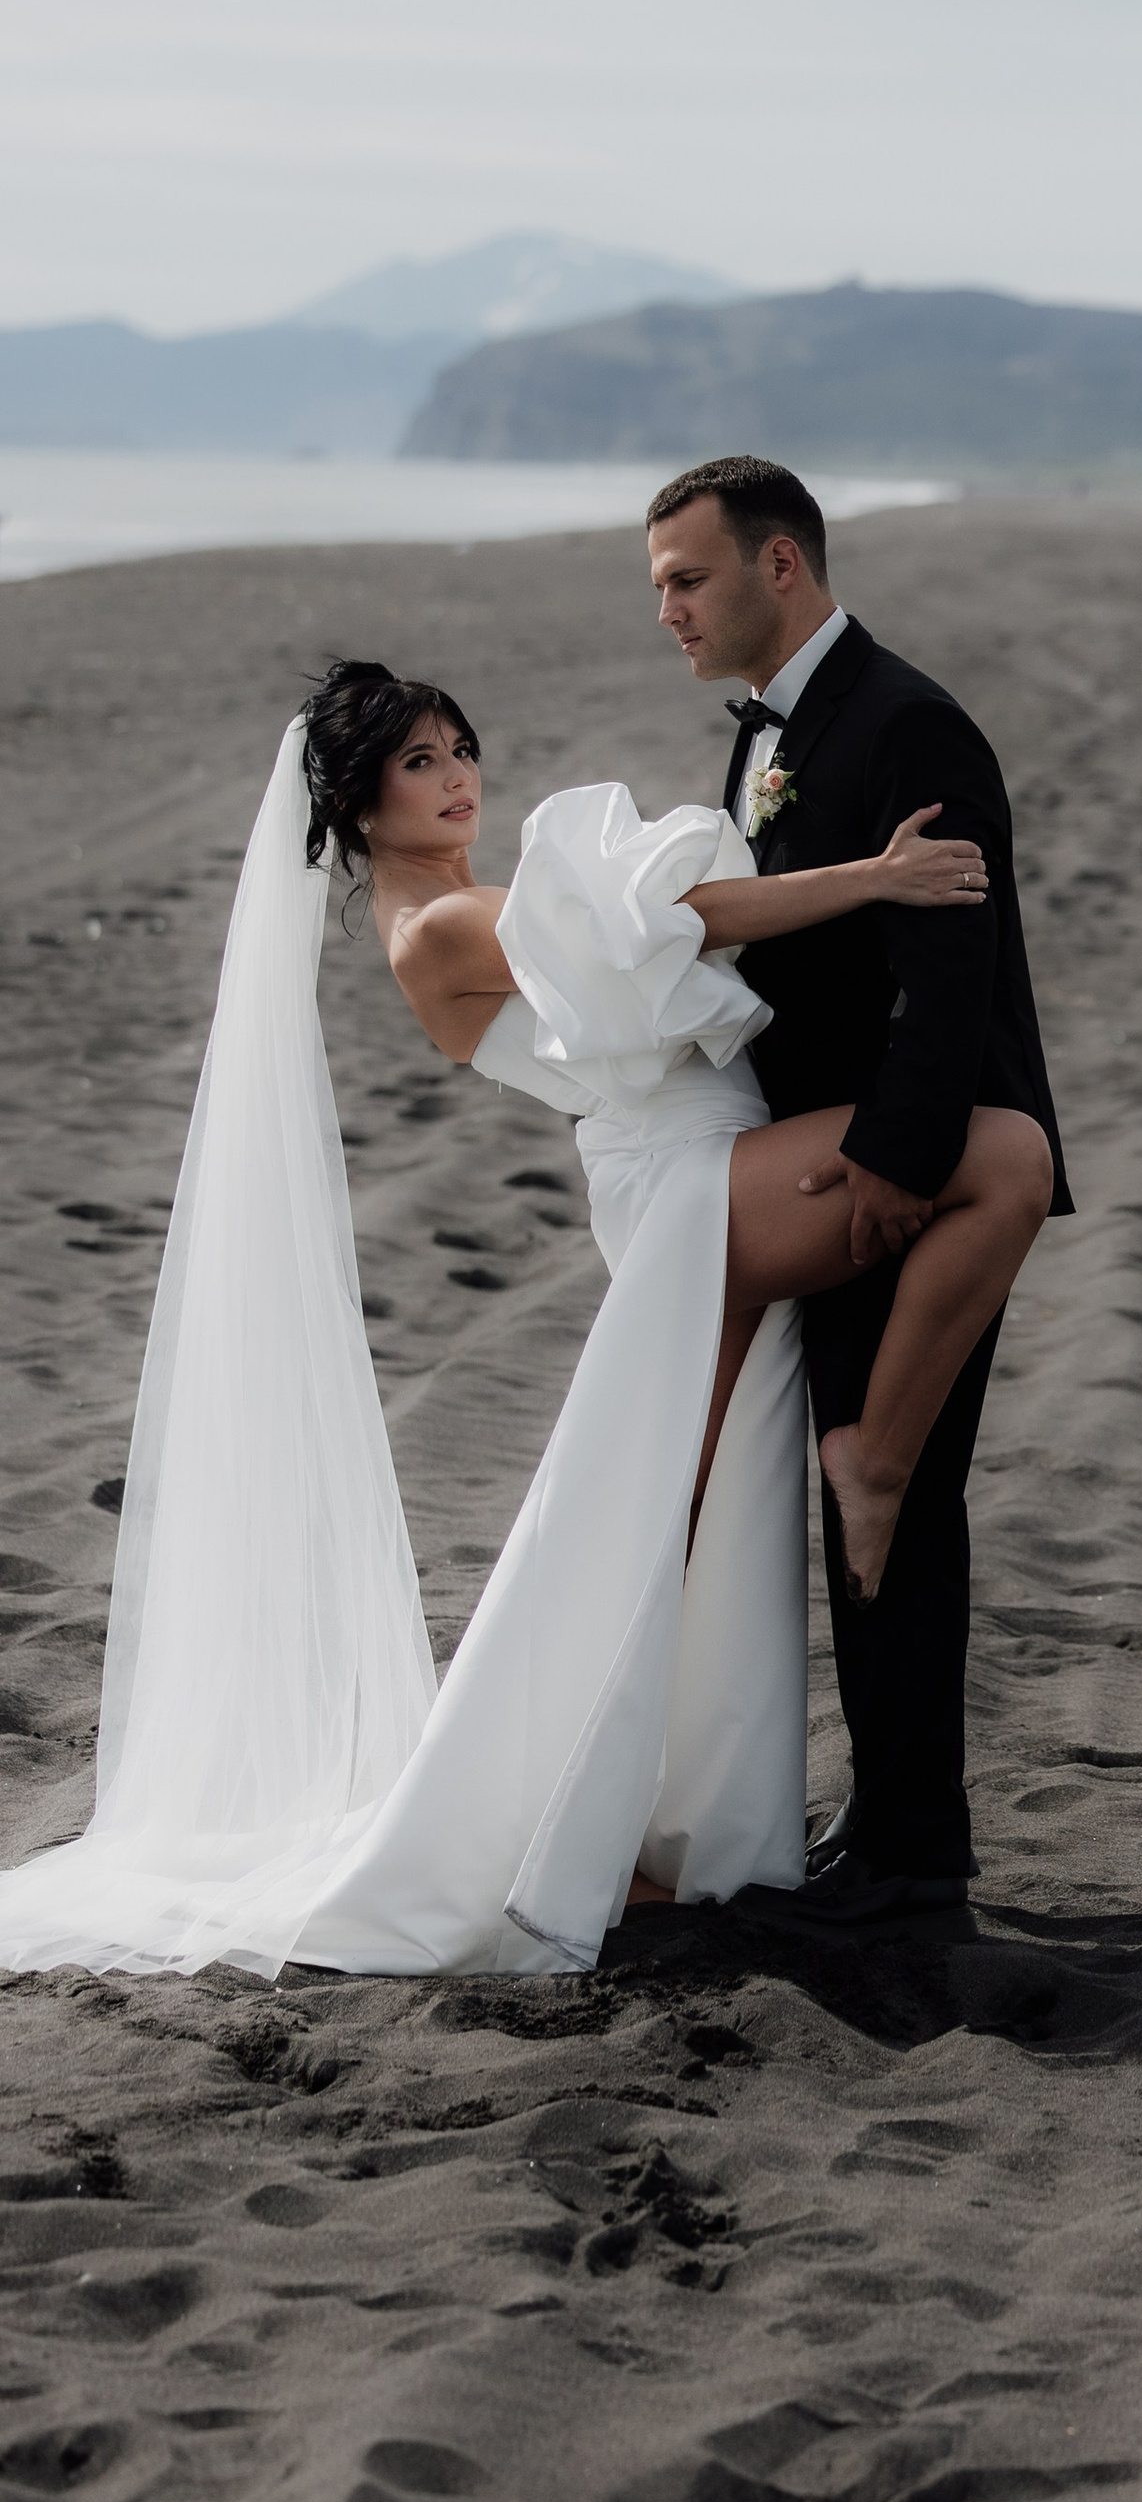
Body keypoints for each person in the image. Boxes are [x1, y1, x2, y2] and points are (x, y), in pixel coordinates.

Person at [0, 660, 992, 1981]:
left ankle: (626, 1835)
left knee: (684, 1534)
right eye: (420, 761)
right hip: (683, 1183)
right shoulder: (439, 930)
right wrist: (872, 878)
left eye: (462, 748)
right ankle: (584, 1822)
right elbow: (683, 924)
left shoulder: (477, 900)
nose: (459, 775)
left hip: (697, 1173)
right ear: (356, 803)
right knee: (987, 1164)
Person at [644, 456, 1069, 1927]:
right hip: (834, 1159)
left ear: (781, 566)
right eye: (658, 589)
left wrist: (891, 1164)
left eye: (688, 580)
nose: (671, 612)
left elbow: (955, 971)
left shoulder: (906, 722)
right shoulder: (770, 735)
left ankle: (913, 1852)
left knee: (900, 1485)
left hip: (920, 1166)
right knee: (858, 1487)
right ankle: (893, 1827)